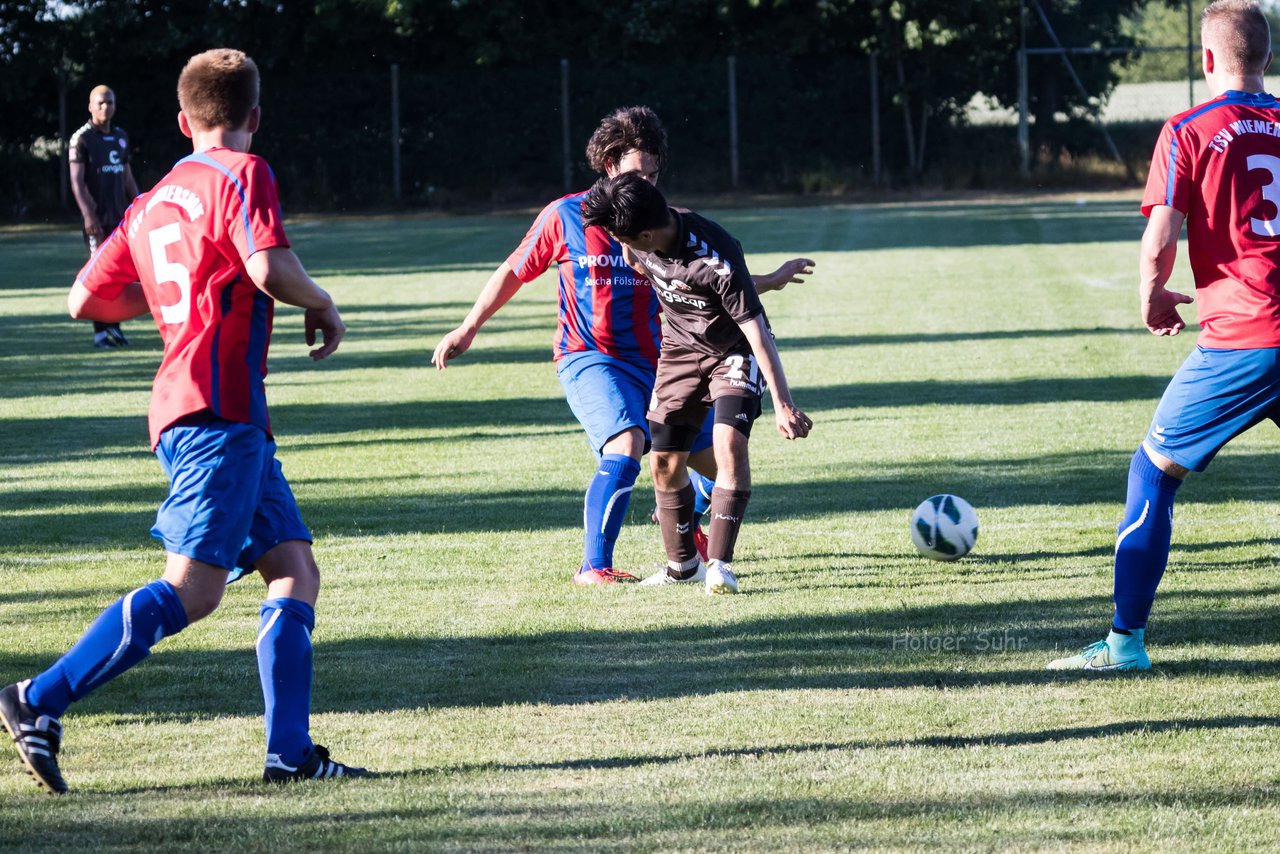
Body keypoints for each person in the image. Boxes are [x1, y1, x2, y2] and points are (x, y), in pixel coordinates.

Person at [0, 49, 366, 793]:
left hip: (217, 414)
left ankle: (289, 754)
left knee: (294, 571)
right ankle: (37, 699)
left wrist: (179, 301)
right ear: (253, 118)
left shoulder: (153, 197)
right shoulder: (244, 171)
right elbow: (267, 268)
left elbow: (83, 299)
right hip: (215, 410)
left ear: (180, 120)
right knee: (194, 590)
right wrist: (323, 301)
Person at [431, 106, 813, 585]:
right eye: (640, 172)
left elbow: (703, 278)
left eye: (655, 173)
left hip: (659, 359)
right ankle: (594, 566)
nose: (650, 183)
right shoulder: (566, 215)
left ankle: (686, 533)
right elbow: (514, 269)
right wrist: (469, 327)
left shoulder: (652, 219)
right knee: (627, 442)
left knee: (716, 464)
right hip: (590, 356)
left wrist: (769, 282)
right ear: (610, 164)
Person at [1049, 0, 1280, 671]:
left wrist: (1152, 296)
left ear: (1207, 59)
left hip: (1244, 338)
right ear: (1266, 58)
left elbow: (1160, 239)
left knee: (1153, 471)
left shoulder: (1189, 128)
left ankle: (1124, 645)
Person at [581, 172, 813, 594]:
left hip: (734, 350)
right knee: (664, 463)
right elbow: (659, 274)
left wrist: (783, 403)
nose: (620, 245)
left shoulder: (716, 254)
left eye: (623, 236)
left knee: (728, 443)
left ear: (647, 233)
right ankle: (682, 565)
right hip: (679, 353)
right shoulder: (636, 246)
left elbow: (756, 327)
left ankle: (720, 565)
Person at [70, 84, 140, 349]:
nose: (105, 107)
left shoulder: (121, 136)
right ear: (90, 106)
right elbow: (76, 183)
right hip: (97, 220)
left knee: (120, 275)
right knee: (99, 276)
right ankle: (100, 333)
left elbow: (127, 176)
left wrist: (139, 204)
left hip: (119, 218)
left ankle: (116, 328)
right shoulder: (82, 138)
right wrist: (88, 216)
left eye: (109, 102)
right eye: (100, 103)